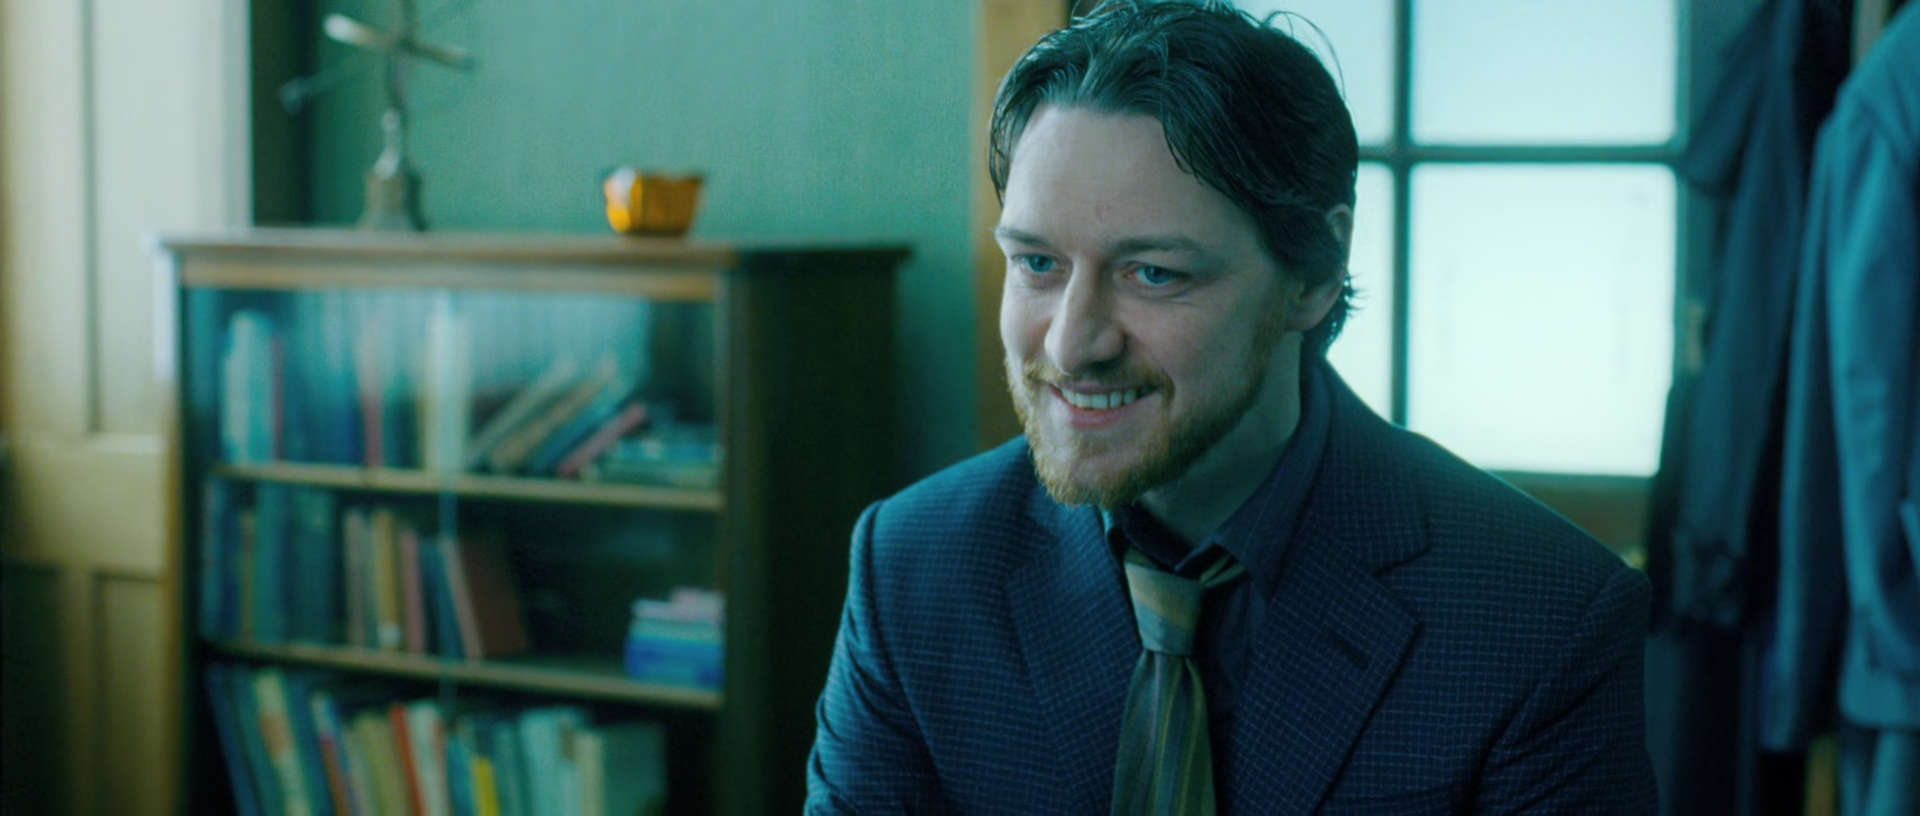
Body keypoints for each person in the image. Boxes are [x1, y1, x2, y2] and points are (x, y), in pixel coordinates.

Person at [807, 2, 1657, 812]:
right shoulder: (914, 568)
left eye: (1153, 273)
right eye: (1037, 264)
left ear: (1314, 275)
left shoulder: (1541, 617)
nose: (1071, 344)